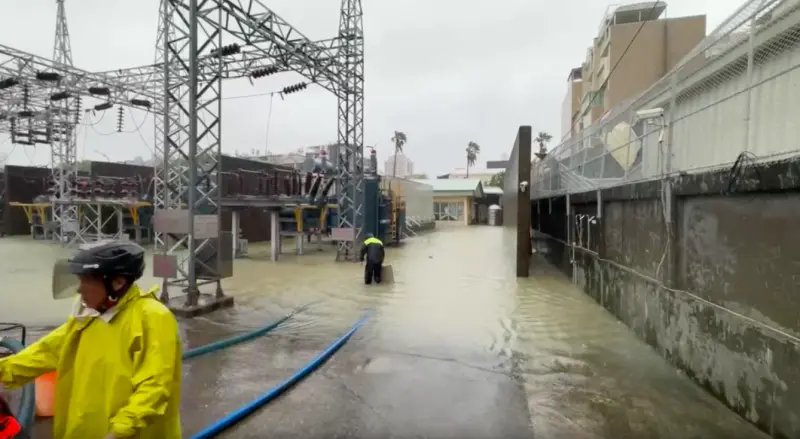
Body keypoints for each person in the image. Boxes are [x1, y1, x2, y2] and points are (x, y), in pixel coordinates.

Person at [0, 241, 182, 439]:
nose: (80, 290)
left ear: (117, 283)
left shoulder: (151, 317)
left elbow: (154, 387)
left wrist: (119, 431)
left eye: (86, 281)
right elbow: (46, 351)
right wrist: (3, 369)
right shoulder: (89, 316)